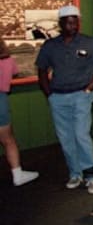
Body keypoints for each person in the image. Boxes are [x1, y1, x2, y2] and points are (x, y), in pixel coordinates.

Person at [36, 5, 93, 194]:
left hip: (81, 96)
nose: (72, 25)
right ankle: (75, 173)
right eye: (68, 22)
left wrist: (88, 89)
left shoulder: (90, 43)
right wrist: (49, 94)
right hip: (58, 98)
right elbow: (41, 70)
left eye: (75, 21)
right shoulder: (50, 45)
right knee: (65, 138)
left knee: (80, 135)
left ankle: (91, 176)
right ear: (60, 23)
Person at [0, 37, 39, 186]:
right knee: (8, 140)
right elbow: (15, 73)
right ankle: (17, 174)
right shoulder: (8, 60)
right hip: (1, 100)